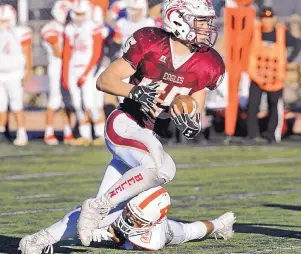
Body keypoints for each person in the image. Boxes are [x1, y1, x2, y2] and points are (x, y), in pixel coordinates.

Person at [77, 0, 225, 247]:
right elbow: (104, 80)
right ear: (179, 19)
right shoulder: (151, 42)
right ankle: (98, 207)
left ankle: (39, 240)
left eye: (207, 21)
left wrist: (190, 123)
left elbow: (194, 109)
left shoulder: (208, 62)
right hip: (129, 123)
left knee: (120, 228)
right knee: (164, 170)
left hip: (153, 136)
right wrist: (135, 91)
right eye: (201, 21)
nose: (207, 27)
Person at [19, 186, 236, 253]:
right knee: (94, 211)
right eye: (130, 213)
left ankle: (219, 225)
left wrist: (102, 233)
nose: (129, 218)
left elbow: (121, 241)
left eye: (136, 218)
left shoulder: (154, 238)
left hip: (163, 231)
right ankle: (42, 239)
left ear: (150, 223)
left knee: (190, 231)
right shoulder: (136, 201)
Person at [247, 6, 301, 144]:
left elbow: (297, 43)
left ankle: (271, 134)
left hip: (275, 77)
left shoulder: (281, 33)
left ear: (274, 19)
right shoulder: (255, 32)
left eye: (270, 18)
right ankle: (253, 135)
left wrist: (289, 59)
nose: (267, 21)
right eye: (265, 18)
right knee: (253, 105)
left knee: (274, 106)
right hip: (257, 76)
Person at [62, 0, 107, 146]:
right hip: (74, 68)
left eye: (82, 14)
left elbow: (97, 52)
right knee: (77, 104)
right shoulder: (69, 28)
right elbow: (67, 53)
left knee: (90, 103)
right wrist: (65, 73)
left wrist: (86, 73)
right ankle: (85, 134)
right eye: (77, 14)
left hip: (90, 68)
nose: (79, 17)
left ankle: (100, 134)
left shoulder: (93, 27)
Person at [41, 0, 75, 145]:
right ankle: (48, 132)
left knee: (67, 100)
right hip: (57, 67)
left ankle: (68, 131)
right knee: (54, 100)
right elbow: (58, 51)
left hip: (69, 67)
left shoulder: (69, 27)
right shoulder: (50, 28)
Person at [0, 4, 32, 146]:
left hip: (14, 73)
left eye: (4, 20)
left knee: (16, 105)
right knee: (1, 105)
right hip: (1, 73)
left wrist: (28, 70)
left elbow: (27, 53)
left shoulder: (20, 32)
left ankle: (21, 132)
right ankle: (2, 131)